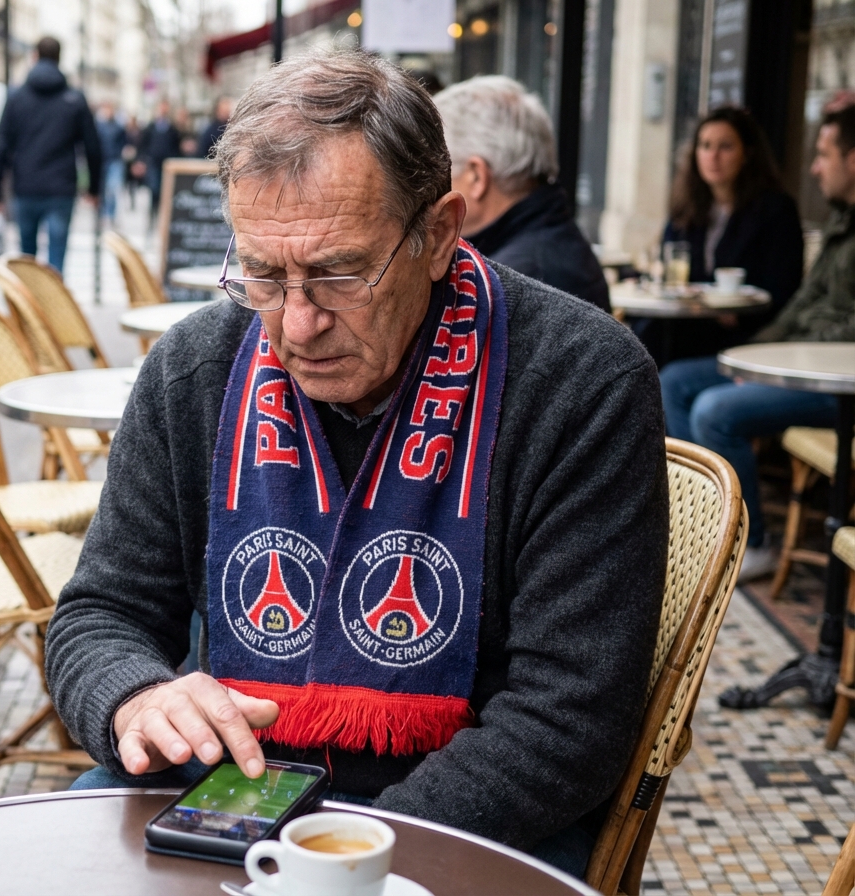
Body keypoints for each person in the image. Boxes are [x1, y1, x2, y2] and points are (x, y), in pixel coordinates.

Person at [47, 49, 668, 879]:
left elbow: (568, 722)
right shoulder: (195, 368)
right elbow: (99, 614)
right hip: (232, 789)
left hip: (474, 813)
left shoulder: (582, 381)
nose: (296, 324)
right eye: (263, 274)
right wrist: (135, 695)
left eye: (339, 274)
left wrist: (338, 857)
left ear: (439, 233)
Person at [661, 104, 855, 582]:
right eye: (705, 146)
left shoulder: (778, 210)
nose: (814, 168)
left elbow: (827, 320)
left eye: (824, 155)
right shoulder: (840, 223)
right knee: (672, 380)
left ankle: (753, 541)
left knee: (714, 411)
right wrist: (749, 358)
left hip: (834, 383)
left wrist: (771, 355)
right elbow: (800, 308)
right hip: (791, 361)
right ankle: (702, 523)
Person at [432, 76, 610, 312]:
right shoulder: (548, 243)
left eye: (438, 172)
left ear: (476, 176)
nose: (431, 191)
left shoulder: (513, 284)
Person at [644, 107, 803, 365]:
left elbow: (784, 290)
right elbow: (666, 268)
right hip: (682, 331)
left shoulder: (775, 211)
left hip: (742, 339)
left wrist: (734, 313)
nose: (713, 156)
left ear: (747, 154)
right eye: (705, 146)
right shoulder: (685, 209)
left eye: (725, 146)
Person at [0, 37, 101, 273]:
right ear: (59, 58)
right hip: (61, 188)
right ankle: (53, 297)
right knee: (56, 259)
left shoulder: (17, 97)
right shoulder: (74, 99)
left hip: (26, 185)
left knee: (27, 258)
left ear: (35, 56)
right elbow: (92, 147)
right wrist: (94, 189)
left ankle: (30, 297)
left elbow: (2, 145)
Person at [136, 101, 181, 221]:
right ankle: (153, 213)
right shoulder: (150, 128)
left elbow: (176, 147)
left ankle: (162, 215)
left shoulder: (172, 129)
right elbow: (143, 145)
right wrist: (141, 160)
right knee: (154, 189)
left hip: (167, 165)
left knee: (165, 190)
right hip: (153, 163)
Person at [97, 102, 127, 226]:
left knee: (112, 189)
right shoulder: (98, 126)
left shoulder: (118, 127)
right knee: (102, 190)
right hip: (102, 161)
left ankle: (111, 215)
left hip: (114, 161)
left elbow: (124, 143)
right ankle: (102, 214)